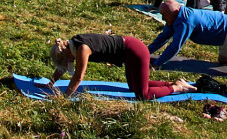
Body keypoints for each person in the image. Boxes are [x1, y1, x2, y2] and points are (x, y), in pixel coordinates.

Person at [47, 33, 193, 101]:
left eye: (66, 62)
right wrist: (51, 83)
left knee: (143, 95)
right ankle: (172, 83)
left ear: (66, 55)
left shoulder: (82, 49)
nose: (67, 66)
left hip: (135, 51)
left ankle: (177, 87)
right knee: (133, 87)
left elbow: (78, 76)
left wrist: (65, 97)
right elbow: (63, 67)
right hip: (128, 53)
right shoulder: (72, 45)